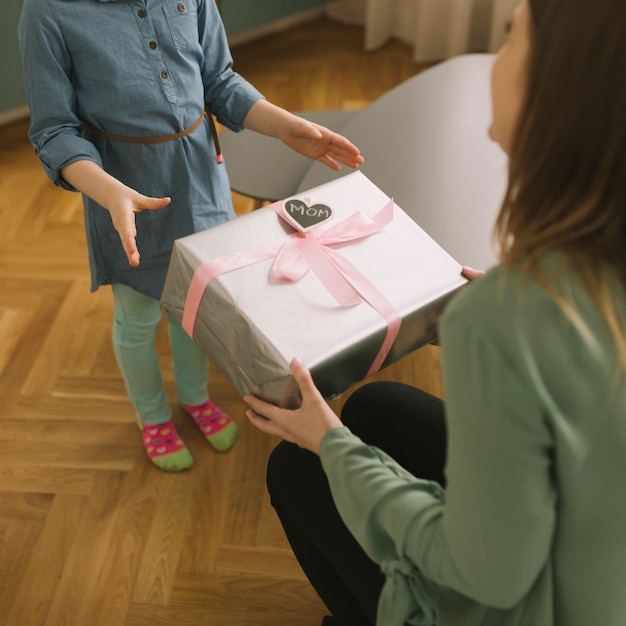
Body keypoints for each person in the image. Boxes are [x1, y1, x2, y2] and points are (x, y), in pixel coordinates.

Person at [244, 0, 626, 624]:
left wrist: (333, 447)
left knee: (299, 465)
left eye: (509, 43)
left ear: (553, 95)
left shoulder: (508, 321)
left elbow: (489, 575)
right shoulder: (572, 288)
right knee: (375, 407)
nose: (491, 65)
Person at [17, 0, 363, 472]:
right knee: (138, 318)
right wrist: (109, 193)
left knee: (197, 305)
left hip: (200, 181)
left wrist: (287, 127)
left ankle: (196, 397)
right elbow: (55, 131)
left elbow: (219, 81)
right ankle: (153, 417)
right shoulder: (47, 13)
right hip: (123, 193)